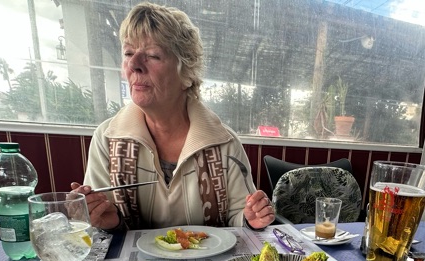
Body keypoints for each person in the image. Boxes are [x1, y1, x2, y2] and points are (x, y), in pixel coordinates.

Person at [71, 2, 275, 231]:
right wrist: (103, 219)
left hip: (214, 256)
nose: (134, 64)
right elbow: (100, 226)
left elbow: (239, 216)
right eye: (128, 53)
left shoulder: (225, 143)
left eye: (152, 55)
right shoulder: (106, 139)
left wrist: (250, 218)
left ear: (187, 73)